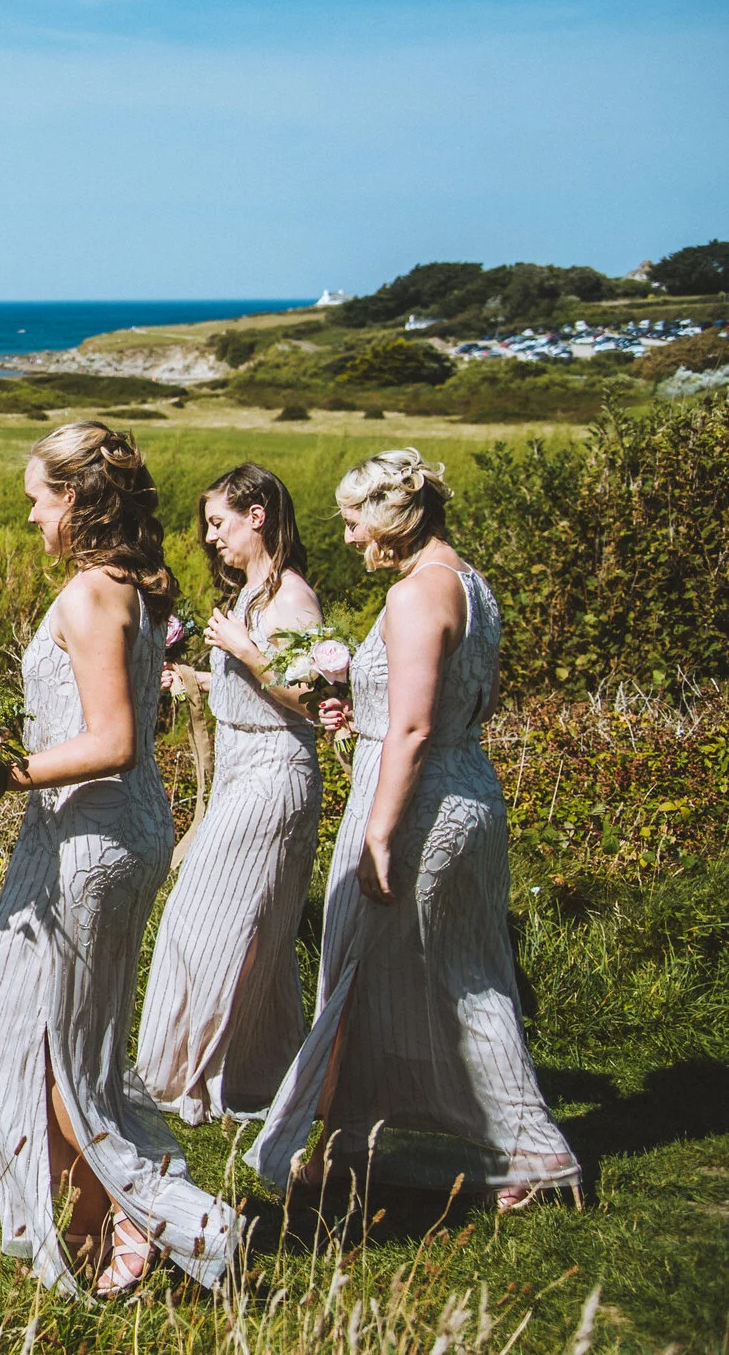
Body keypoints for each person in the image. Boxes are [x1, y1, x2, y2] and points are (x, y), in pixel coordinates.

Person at [248, 451, 579, 1209]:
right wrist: (359, 711)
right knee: (465, 971)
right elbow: (470, 704)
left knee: (360, 967)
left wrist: (379, 834)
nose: (348, 531)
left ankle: (515, 1149)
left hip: (416, 805)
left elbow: (416, 727)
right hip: (469, 790)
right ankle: (364, 1142)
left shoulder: (415, 595)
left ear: (394, 514)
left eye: (355, 516)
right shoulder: (471, 584)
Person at [0, 423, 236, 1299]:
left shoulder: (90, 593)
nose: (32, 514)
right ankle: (89, 1224)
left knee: (56, 1049)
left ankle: (166, 1219)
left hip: (89, 839)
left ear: (76, 499)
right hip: (113, 829)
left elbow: (114, 738)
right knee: (60, 1037)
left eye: (40, 497)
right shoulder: (132, 588)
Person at [137, 464, 326, 1125]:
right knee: (243, 932)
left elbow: (309, 698)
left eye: (219, 522)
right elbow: (252, 685)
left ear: (259, 516)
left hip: (274, 776)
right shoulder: (250, 594)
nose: (211, 537)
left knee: (203, 921)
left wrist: (245, 651)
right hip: (244, 770)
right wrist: (192, 673)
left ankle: (181, 1074)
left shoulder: (290, 596)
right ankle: (250, 1073)